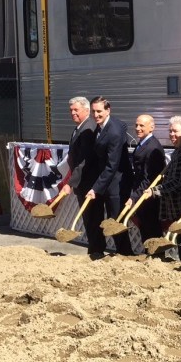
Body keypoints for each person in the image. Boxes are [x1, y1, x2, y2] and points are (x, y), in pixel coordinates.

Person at [84, 96, 134, 257]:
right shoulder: (105, 125)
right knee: (111, 220)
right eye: (93, 111)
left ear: (108, 110)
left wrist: (95, 188)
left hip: (116, 184)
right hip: (106, 180)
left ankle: (125, 254)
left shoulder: (113, 132)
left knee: (116, 220)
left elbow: (112, 166)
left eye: (99, 111)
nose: (96, 115)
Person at [145, 116, 181, 260]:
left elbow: (178, 181)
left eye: (175, 131)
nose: (172, 135)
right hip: (177, 208)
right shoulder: (178, 151)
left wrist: (154, 191)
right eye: (170, 131)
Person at [61, 97, 97, 255]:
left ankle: (96, 250)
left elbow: (84, 160)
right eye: (71, 110)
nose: (73, 113)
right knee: (88, 218)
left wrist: (70, 183)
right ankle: (94, 248)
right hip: (81, 182)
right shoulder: (79, 128)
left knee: (92, 218)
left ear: (87, 110)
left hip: (88, 181)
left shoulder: (88, 128)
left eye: (76, 110)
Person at [127, 114, 166, 246]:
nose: (138, 128)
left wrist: (134, 197)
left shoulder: (153, 147)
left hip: (148, 197)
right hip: (141, 194)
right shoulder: (143, 143)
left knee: (151, 229)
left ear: (152, 127)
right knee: (145, 228)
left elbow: (149, 178)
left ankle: (156, 257)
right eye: (136, 125)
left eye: (142, 125)